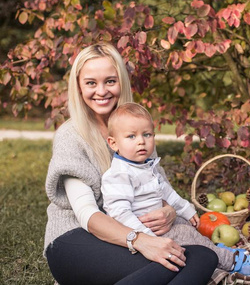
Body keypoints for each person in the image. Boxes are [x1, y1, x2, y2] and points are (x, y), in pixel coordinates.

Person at [44, 42, 219, 285]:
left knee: (204, 256)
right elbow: (87, 214)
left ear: (121, 83)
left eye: (110, 81)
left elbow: (158, 185)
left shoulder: (136, 129)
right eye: (91, 83)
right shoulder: (70, 136)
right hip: (77, 238)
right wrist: (141, 241)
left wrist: (169, 211)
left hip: (127, 230)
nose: (102, 91)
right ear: (79, 87)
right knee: (182, 260)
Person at [101, 102, 250, 276]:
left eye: (147, 134)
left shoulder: (145, 166)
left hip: (158, 226)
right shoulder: (119, 175)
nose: (141, 142)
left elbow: (167, 192)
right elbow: (119, 213)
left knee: (187, 224)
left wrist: (186, 209)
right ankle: (232, 262)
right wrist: (146, 237)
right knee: (187, 235)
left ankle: (214, 248)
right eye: (131, 136)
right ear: (113, 143)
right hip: (144, 234)